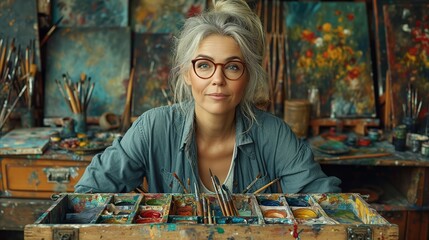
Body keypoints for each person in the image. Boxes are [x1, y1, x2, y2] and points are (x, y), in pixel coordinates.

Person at [75, 0, 341, 194]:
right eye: (204, 65)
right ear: (186, 74)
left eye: (233, 66)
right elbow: (87, 194)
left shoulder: (273, 135)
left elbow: (325, 203)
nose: (218, 78)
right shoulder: (153, 128)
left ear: (248, 77)